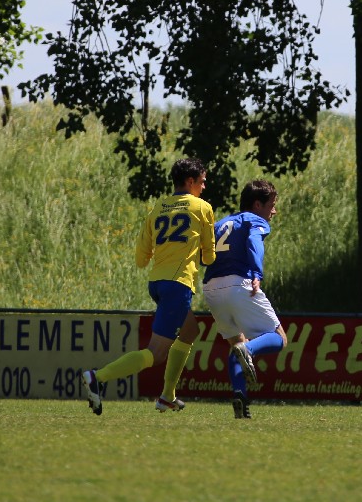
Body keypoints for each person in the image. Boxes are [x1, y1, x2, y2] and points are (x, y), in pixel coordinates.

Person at [80, 157, 216, 415]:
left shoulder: (158, 208)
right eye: (202, 182)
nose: (204, 186)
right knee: (156, 353)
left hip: (157, 283)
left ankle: (167, 396)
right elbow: (208, 257)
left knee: (190, 331)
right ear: (190, 181)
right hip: (177, 284)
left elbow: (141, 259)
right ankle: (97, 377)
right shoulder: (202, 207)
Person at [202, 178, 288, 419]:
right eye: (271, 205)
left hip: (211, 288)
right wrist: (257, 273)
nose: (274, 211)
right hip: (239, 285)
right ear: (257, 204)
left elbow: (203, 254)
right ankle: (248, 349)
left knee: (235, 345)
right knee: (279, 339)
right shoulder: (255, 220)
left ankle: (240, 397)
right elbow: (253, 241)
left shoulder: (221, 223)